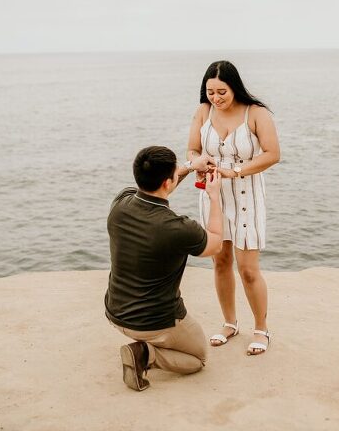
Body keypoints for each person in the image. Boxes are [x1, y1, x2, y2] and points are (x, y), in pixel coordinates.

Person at [104, 146, 223, 391]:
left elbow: (156, 192)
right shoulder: (178, 228)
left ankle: (144, 345)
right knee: (198, 359)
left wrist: (191, 166)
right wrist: (214, 196)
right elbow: (215, 244)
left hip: (115, 312)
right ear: (168, 182)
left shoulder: (120, 204)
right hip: (155, 322)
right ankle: (146, 354)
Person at [186, 60, 280, 356]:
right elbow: (191, 149)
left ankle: (261, 328)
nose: (216, 98)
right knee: (220, 261)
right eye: (210, 91)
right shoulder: (203, 112)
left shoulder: (257, 113)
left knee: (249, 269)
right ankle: (229, 323)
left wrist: (236, 171)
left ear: (234, 87)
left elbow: (273, 154)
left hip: (247, 195)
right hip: (213, 195)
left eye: (221, 92)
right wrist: (198, 163)